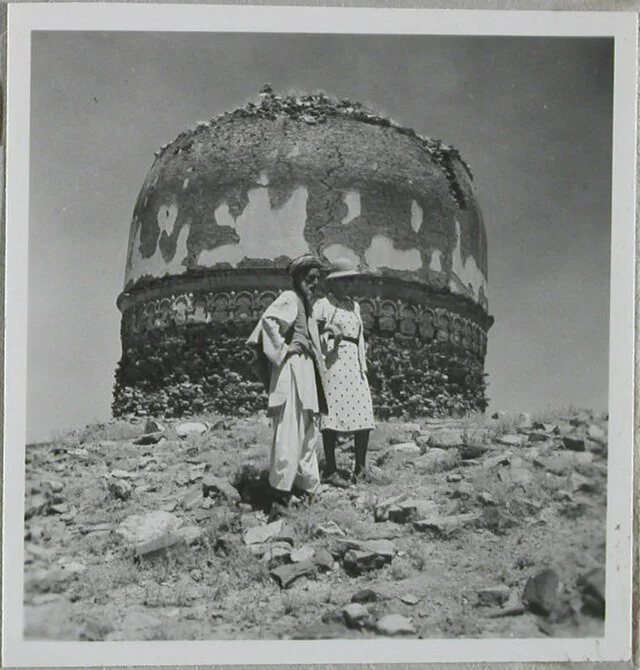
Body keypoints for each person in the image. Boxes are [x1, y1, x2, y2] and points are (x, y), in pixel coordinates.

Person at [246, 254, 327, 504]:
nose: (315, 283)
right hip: (292, 369)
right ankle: (280, 493)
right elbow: (269, 321)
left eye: (317, 279)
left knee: (308, 429)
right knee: (290, 428)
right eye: (310, 279)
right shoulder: (290, 298)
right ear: (299, 278)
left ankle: (307, 486)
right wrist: (284, 348)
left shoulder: (307, 304)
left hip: (306, 370)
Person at [313, 258, 375, 485]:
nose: (346, 284)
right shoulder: (323, 304)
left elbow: (359, 338)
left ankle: (360, 467)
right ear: (333, 283)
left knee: (363, 411)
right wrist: (328, 335)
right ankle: (331, 468)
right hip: (333, 361)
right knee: (332, 413)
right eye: (342, 280)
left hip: (354, 363)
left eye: (350, 280)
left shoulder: (354, 306)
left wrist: (363, 364)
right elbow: (313, 329)